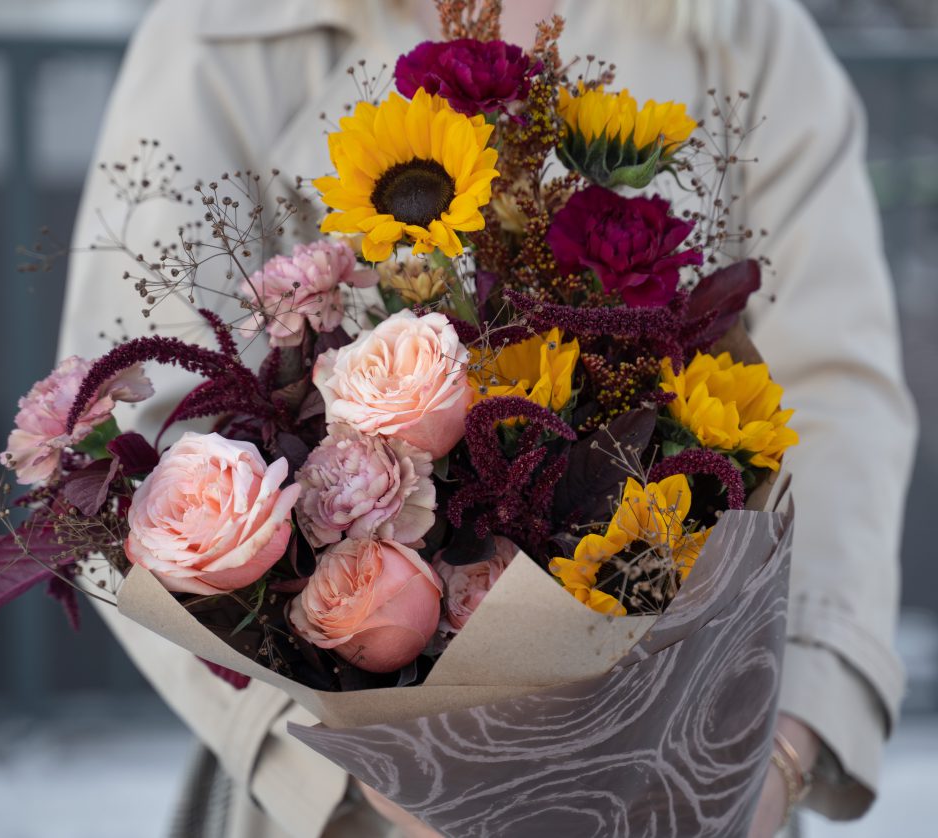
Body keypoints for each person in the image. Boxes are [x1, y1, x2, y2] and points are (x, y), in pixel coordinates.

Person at [58, 1, 917, 836]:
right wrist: (370, 778)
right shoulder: (224, 28)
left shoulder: (746, 31)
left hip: (690, 789)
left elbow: (835, 398)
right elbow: (125, 464)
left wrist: (772, 758)